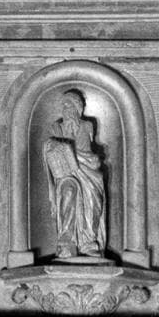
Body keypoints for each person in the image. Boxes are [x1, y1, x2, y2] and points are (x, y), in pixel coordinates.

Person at [42, 91, 106, 259]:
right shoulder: (57, 127)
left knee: (93, 201)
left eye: (69, 105)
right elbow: (50, 147)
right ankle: (67, 242)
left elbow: (91, 152)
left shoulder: (88, 126)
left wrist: (90, 159)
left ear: (78, 108)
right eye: (63, 106)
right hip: (67, 173)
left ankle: (89, 242)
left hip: (89, 172)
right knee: (68, 191)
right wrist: (55, 147)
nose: (65, 109)